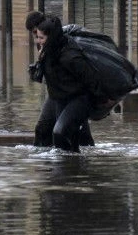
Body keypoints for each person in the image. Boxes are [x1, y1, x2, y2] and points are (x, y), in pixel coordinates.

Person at [30, 14, 101, 153]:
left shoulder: (70, 55)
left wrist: (100, 100)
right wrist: (39, 63)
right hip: (59, 96)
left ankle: (73, 165)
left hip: (79, 98)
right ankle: (57, 163)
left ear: (51, 37)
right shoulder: (47, 53)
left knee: (61, 132)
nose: (38, 41)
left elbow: (91, 78)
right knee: (44, 130)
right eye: (37, 37)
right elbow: (39, 78)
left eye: (41, 38)